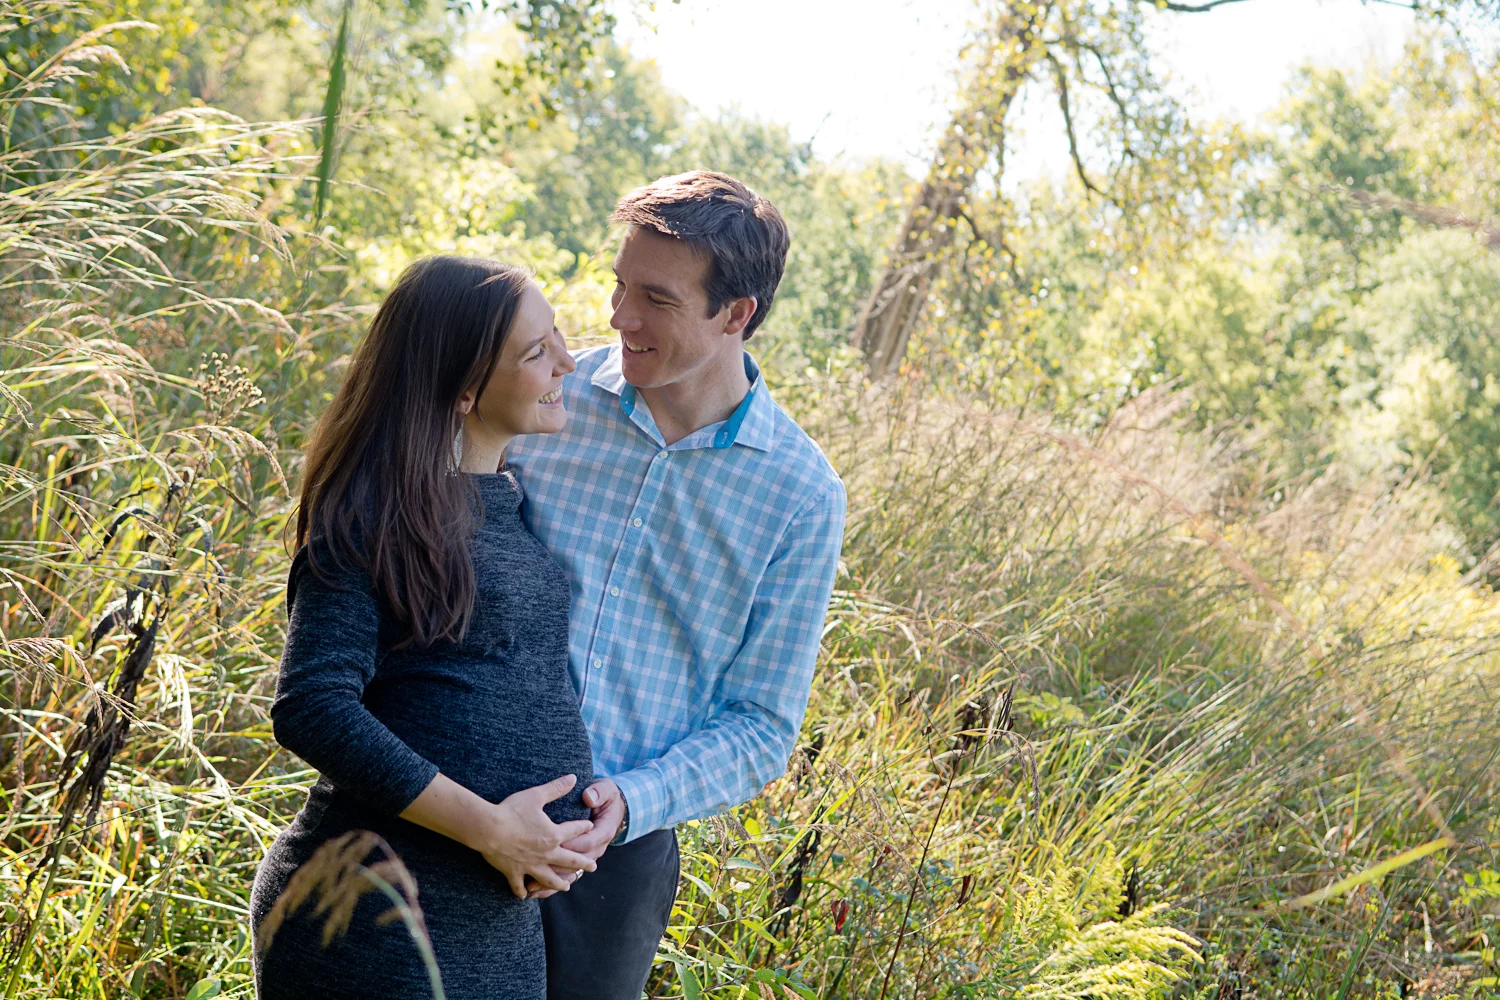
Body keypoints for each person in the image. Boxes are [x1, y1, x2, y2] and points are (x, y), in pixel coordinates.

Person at [506, 171, 847, 999]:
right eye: (619, 286)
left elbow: (763, 723)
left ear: (737, 315)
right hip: (466, 802)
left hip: (614, 864)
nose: (619, 316)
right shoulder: (544, 398)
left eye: (654, 298)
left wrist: (633, 798)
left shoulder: (801, 496)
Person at [250, 256, 596, 1000]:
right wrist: (488, 828)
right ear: (463, 388)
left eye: (557, 336)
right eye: (537, 352)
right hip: (374, 919)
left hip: (491, 921)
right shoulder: (373, 517)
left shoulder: (508, 508)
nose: (569, 359)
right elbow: (313, 707)